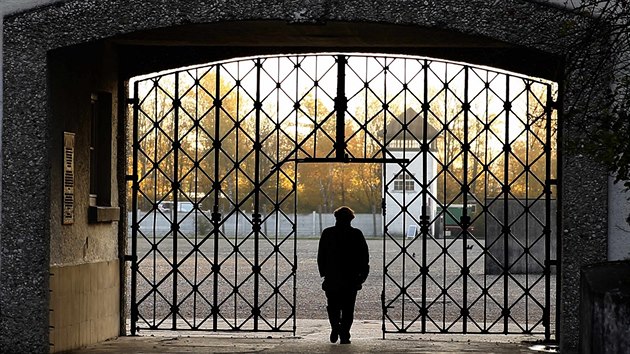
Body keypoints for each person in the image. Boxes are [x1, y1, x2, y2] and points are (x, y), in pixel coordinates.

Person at [317, 206, 370, 344]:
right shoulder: (356, 234)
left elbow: (321, 255)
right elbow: (364, 257)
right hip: (351, 278)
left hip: (332, 277)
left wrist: (324, 273)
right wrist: (362, 275)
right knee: (348, 308)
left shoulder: (328, 233)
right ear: (351, 219)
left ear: (336, 218)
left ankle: (335, 326)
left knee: (333, 306)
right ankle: (344, 334)